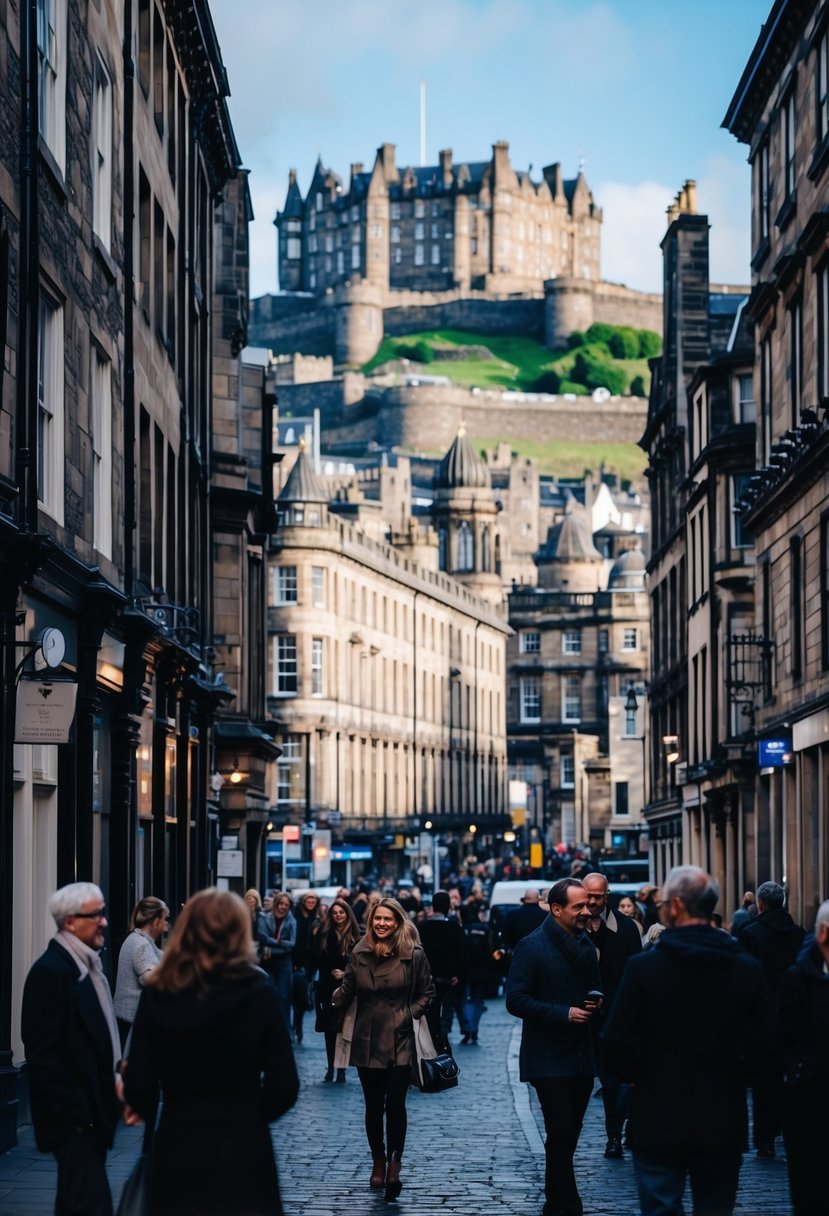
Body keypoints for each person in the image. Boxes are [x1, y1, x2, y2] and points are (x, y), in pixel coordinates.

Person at [602, 865, 769, 1216]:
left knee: (661, 1208)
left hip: (656, 1113)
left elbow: (614, 1042)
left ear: (676, 906)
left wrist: (638, 1075)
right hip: (721, 1114)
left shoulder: (644, 969)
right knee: (714, 1208)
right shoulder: (745, 968)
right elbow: (765, 1046)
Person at [123, 888, 299, 1216]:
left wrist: (144, 1104)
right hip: (245, 1144)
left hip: (180, 1139)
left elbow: (139, 1082)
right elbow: (285, 1085)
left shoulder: (160, 993)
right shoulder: (258, 994)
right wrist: (250, 1112)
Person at [21, 882, 123, 1216]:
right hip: (76, 1123)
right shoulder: (51, 973)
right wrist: (76, 1119)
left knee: (76, 1204)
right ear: (69, 922)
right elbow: (43, 1057)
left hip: (93, 1117)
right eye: (96, 914)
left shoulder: (88, 967)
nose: (104, 921)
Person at [505, 878, 602, 1216]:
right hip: (547, 1055)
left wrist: (593, 1003)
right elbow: (515, 1000)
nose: (586, 911)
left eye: (587, 905)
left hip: (580, 1055)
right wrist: (563, 1013)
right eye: (578, 906)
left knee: (567, 1135)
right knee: (560, 1129)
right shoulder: (532, 946)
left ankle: (554, 1201)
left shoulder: (586, 944)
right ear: (557, 909)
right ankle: (567, 1204)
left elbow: (593, 985)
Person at [333, 897, 434, 1202]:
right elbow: (348, 990)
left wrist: (408, 1014)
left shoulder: (413, 954)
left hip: (400, 1036)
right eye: (377, 919)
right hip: (367, 1035)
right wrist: (335, 997)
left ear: (398, 922)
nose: (381, 924)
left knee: (397, 1103)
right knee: (373, 1105)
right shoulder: (360, 952)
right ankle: (377, 1159)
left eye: (388, 919)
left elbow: (427, 992)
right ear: (371, 921)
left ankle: (394, 1164)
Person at [737, 880, 805, 1157]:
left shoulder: (749, 933)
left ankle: (766, 1138)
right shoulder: (800, 934)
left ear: (760, 904)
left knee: (765, 1082)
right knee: (792, 1078)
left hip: (761, 1018)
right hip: (795, 1016)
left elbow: (744, 979)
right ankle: (791, 1132)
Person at [582, 872, 641, 1160]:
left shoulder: (627, 929)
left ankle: (615, 1134)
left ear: (607, 895)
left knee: (614, 1081)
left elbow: (635, 974)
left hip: (616, 1018)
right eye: (588, 896)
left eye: (597, 897)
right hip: (580, 1017)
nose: (592, 902)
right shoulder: (572, 926)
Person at [776, 901, 829, 1216]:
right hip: (811, 1097)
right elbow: (782, 1034)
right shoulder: (798, 977)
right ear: (824, 934)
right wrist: (800, 1069)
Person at [313, 897, 360, 1082]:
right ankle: (331, 1066)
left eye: (341, 912)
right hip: (326, 987)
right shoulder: (324, 935)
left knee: (344, 1029)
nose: (338, 915)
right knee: (329, 1029)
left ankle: (341, 1068)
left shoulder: (356, 936)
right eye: (335, 913)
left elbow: (359, 964)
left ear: (347, 914)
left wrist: (346, 973)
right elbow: (316, 959)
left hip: (347, 987)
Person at [113, 896, 169, 1050]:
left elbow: (162, 956)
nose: (166, 926)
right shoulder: (140, 944)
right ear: (156, 920)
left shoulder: (139, 940)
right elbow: (152, 980)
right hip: (131, 1023)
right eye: (165, 919)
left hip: (127, 1022)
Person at [417, 889, 468, 1052]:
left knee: (431, 1015)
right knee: (446, 1014)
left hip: (427, 980)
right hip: (448, 980)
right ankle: (442, 1044)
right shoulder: (454, 928)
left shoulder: (422, 927)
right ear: (448, 907)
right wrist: (458, 975)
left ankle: (434, 1042)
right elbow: (463, 954)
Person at [292, 891, 323, 1045]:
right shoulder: (295, 914)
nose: (310, 902)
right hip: (292, 959)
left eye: (313, 900)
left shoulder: (316, 919)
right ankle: (293, 1026)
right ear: (304, 901)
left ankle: (298, 1026)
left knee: (301, 998)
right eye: (308, 900)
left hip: (308, 963)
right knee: (290, 995)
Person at [460, 906, 493, 1044]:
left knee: (466, 1000)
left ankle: (468, 1028)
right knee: (478, 1000)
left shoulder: (463, 930)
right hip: (482, 970)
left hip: (466, 971)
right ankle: (475, 1028)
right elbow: (491, 949)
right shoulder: (486, 929)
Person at [268, 890, 297, 1029]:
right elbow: (262, 939)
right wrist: (279, 943)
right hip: (266, 962)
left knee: (283, 997)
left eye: (286, 905)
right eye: (281, 904)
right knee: (268, 996)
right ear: (276, 904)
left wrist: (273, 943)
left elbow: (292, 944)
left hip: (284, 962)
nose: (283, 907)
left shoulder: (292, 921)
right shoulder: (266, 918)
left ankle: (285, 1030)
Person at [502, 887, 548, 952]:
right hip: (541, 954)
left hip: (519, 953)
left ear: (524, 898)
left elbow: (505, 937)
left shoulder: (512, 914)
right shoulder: (546, 915)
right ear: (538, 899)